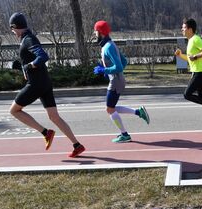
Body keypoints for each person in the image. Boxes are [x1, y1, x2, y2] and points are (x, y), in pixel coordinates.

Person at [8, 12, 85, 158]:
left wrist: (30, 65)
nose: (12, 32)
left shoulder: (28, 39)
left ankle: (46, 132)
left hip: (36, 85)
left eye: (12, 29)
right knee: (54, 117)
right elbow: (33, 58)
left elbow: (43, 56)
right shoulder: (27, 38)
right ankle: (77, 145)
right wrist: (23, 65)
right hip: (45, 83)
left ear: (15, 26)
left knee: (14, 111)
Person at [92, 20, 150, 143]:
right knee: (111, 107)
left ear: (100, 32)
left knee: (109, 109)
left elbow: (118, 66)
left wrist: (105, 70)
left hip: (116, 82)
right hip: (117, 80)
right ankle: (139, 112)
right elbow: (124, 62)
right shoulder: (109, 44)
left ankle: (125, 134)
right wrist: (113, 72)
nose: (94, 34)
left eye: (95, 31)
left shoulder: (107, 47)